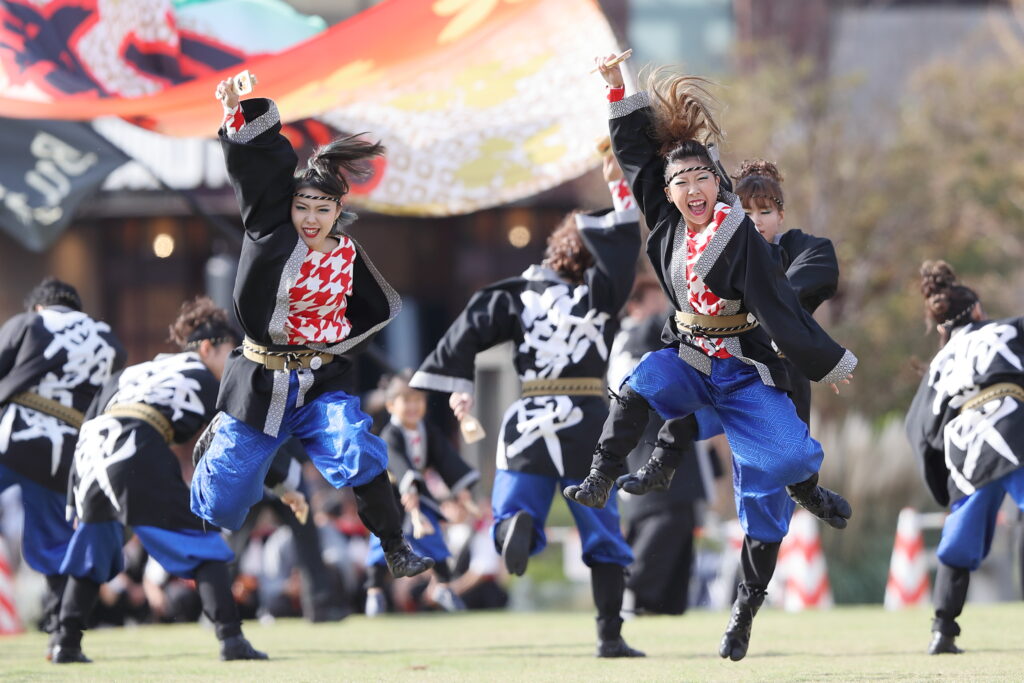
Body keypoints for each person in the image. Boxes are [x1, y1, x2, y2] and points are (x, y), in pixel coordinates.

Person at [566, 57, 857, 662]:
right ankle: (602, 477)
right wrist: (618, 91)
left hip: (756, 372)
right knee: (643, 380)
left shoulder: (767, 241)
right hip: (696, 355)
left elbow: (784, 304)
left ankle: (749, 604)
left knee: (775, 490)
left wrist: (826, 361)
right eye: (682, 182)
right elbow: (640, 162)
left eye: (704, 178)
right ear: (670, 193)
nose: (694, 191)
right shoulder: (669, 223)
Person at [188, 76, 432, 580]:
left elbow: (373, 309)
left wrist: (332, 345)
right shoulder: (268, 232)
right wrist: (240, 111)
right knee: (223, 504)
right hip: (259, 384)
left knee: (357, 447)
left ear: (340, 211)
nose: (312, 218)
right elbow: (259, 173)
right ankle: (214, 455)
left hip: (319, 382)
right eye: (303, 207)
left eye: (324, 209)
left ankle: (394, 545)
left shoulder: (347, 254)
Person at [410, 168, 645, 657]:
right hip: (586, 420)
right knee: (601, 531)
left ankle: (517, 527)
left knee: (513, 508)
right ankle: (609, 637)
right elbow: (623, 244)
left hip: (529, 419)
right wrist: (620, 189)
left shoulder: (517, 294)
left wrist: (459, 385)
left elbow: (469, 325)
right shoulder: (602, 292)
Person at [53, 298, 264, 664]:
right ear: (206, 347)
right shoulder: (203, 376)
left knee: (94, 548)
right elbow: (245, 433)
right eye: (231, 353)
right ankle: (231, 639)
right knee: (201, 542)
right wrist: (286, 481)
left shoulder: (132, 372)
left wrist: (75, 493)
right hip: (137, 445)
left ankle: (64, 643)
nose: (234, 365)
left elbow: (87, 423)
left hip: (93, 454)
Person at [0, 278, 124, 656]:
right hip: (64, 454)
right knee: (55, 542)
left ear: (38, 306)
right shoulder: (108, 339)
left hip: (12, 436)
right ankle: (62, 636)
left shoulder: (30, 324)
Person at [906, 260, 1024, 655]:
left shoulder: (939, 364)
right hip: (1015, 427)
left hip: (966, 444)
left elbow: (919, 432)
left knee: (959, 539)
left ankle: (942, 631)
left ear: (942, 328)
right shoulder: (1006, 328)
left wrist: (945, 488)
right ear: (976, 311)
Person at [364, 371, 480, 616]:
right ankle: (374, 593)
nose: (413, 406)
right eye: (407, 400)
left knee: (435, 543)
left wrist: (462, 491)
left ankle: (444, 588)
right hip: (390, 498)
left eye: (418, 400)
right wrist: (409, 486)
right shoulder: (389, 435)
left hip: (420, 497)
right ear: (391, 405)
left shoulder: (429, 432)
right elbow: (397, 463)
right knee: (381, 547)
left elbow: (447, 460)